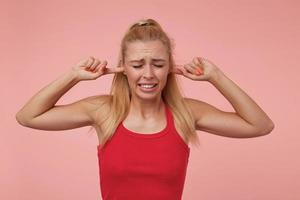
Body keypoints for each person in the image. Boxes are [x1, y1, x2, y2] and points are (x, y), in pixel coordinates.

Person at [16, 18, 275, 200]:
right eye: (138, 64)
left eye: (158, 64)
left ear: (170, 67)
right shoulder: (104, 112)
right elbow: (28, 117)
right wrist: (73, 75)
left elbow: (261, 125)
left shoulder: (186, 113)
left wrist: (216, 75)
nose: (148, 74)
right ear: (123, 67)